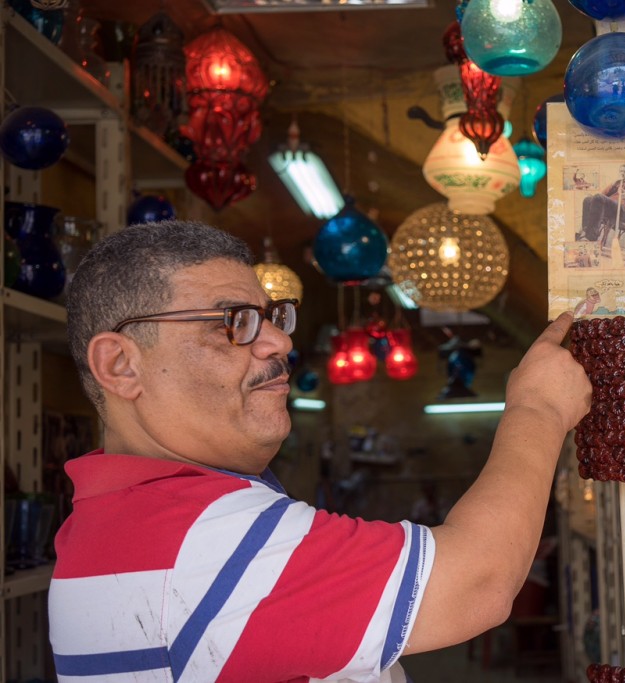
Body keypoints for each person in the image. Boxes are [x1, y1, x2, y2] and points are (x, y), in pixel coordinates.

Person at [49, 221, 592, 683]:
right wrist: (537, 411)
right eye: (231, 323)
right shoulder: (193, 539)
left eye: (269, 316)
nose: (279, 342)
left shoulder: (116, 521)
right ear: (121, 366)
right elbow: (477, 582)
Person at [578, 164, 625, 246]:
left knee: (598, 198)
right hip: (611, 210)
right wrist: (613, 185)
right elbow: (599, 196)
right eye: (621, 171)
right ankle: (585, 233)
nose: (622, 173)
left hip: (623, 211)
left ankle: (591, 237)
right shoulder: (614, 184)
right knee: (587, 200)